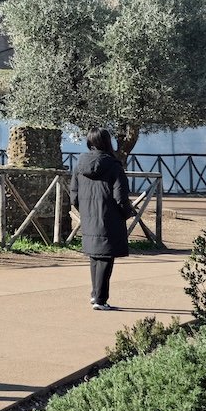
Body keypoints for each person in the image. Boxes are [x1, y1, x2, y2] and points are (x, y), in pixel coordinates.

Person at [71, 128, 134, 311]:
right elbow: (121, 197)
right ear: (108, 142)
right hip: (110, 218)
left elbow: (74, 195)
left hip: (89, 217)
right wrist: (126, 213)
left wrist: (85, 211)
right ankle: (100, 299)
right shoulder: (114, 166)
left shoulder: (79, 165)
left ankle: (95, 294)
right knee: (106, 258)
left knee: (95, 256)